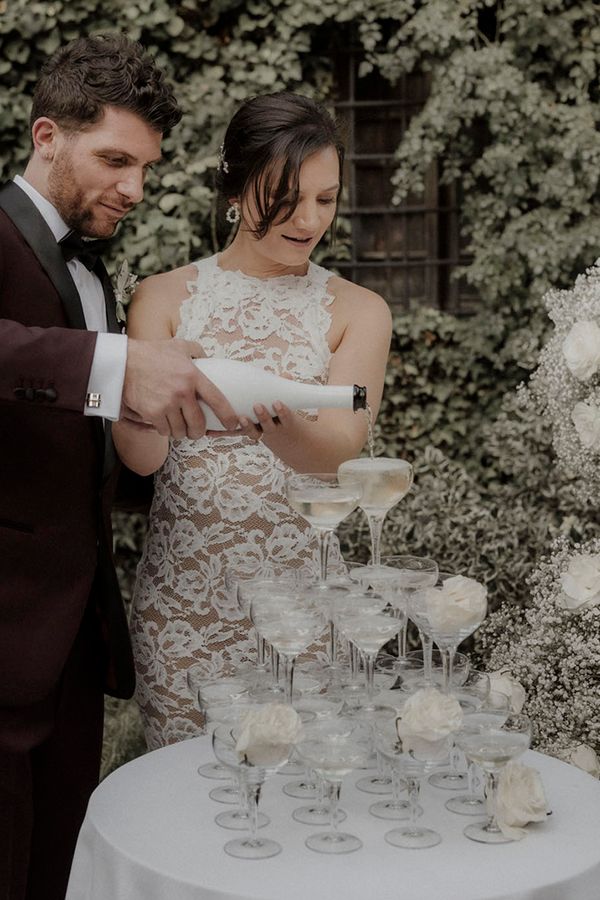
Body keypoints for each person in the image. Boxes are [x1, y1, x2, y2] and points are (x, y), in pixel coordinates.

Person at [0, 33, 239, 900]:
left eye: (146, 168)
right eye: (113, 160)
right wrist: (113, 367)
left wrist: (161, 433)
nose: (133, 190)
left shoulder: (99, 272)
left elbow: (65, 439)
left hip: (71, 640)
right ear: (46, 135)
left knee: (55, 868)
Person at [113, 92, 393, 749]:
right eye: (286, 198)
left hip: (305, 611)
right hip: (186, 608)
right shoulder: (160, 297)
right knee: (188, 806)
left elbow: (340, 454)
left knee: (307, 807)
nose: (308, 219)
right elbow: (140, 458)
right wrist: (157, 399)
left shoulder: (360, 311)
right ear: (236, 189)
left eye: (326, 199)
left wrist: (265, 417)